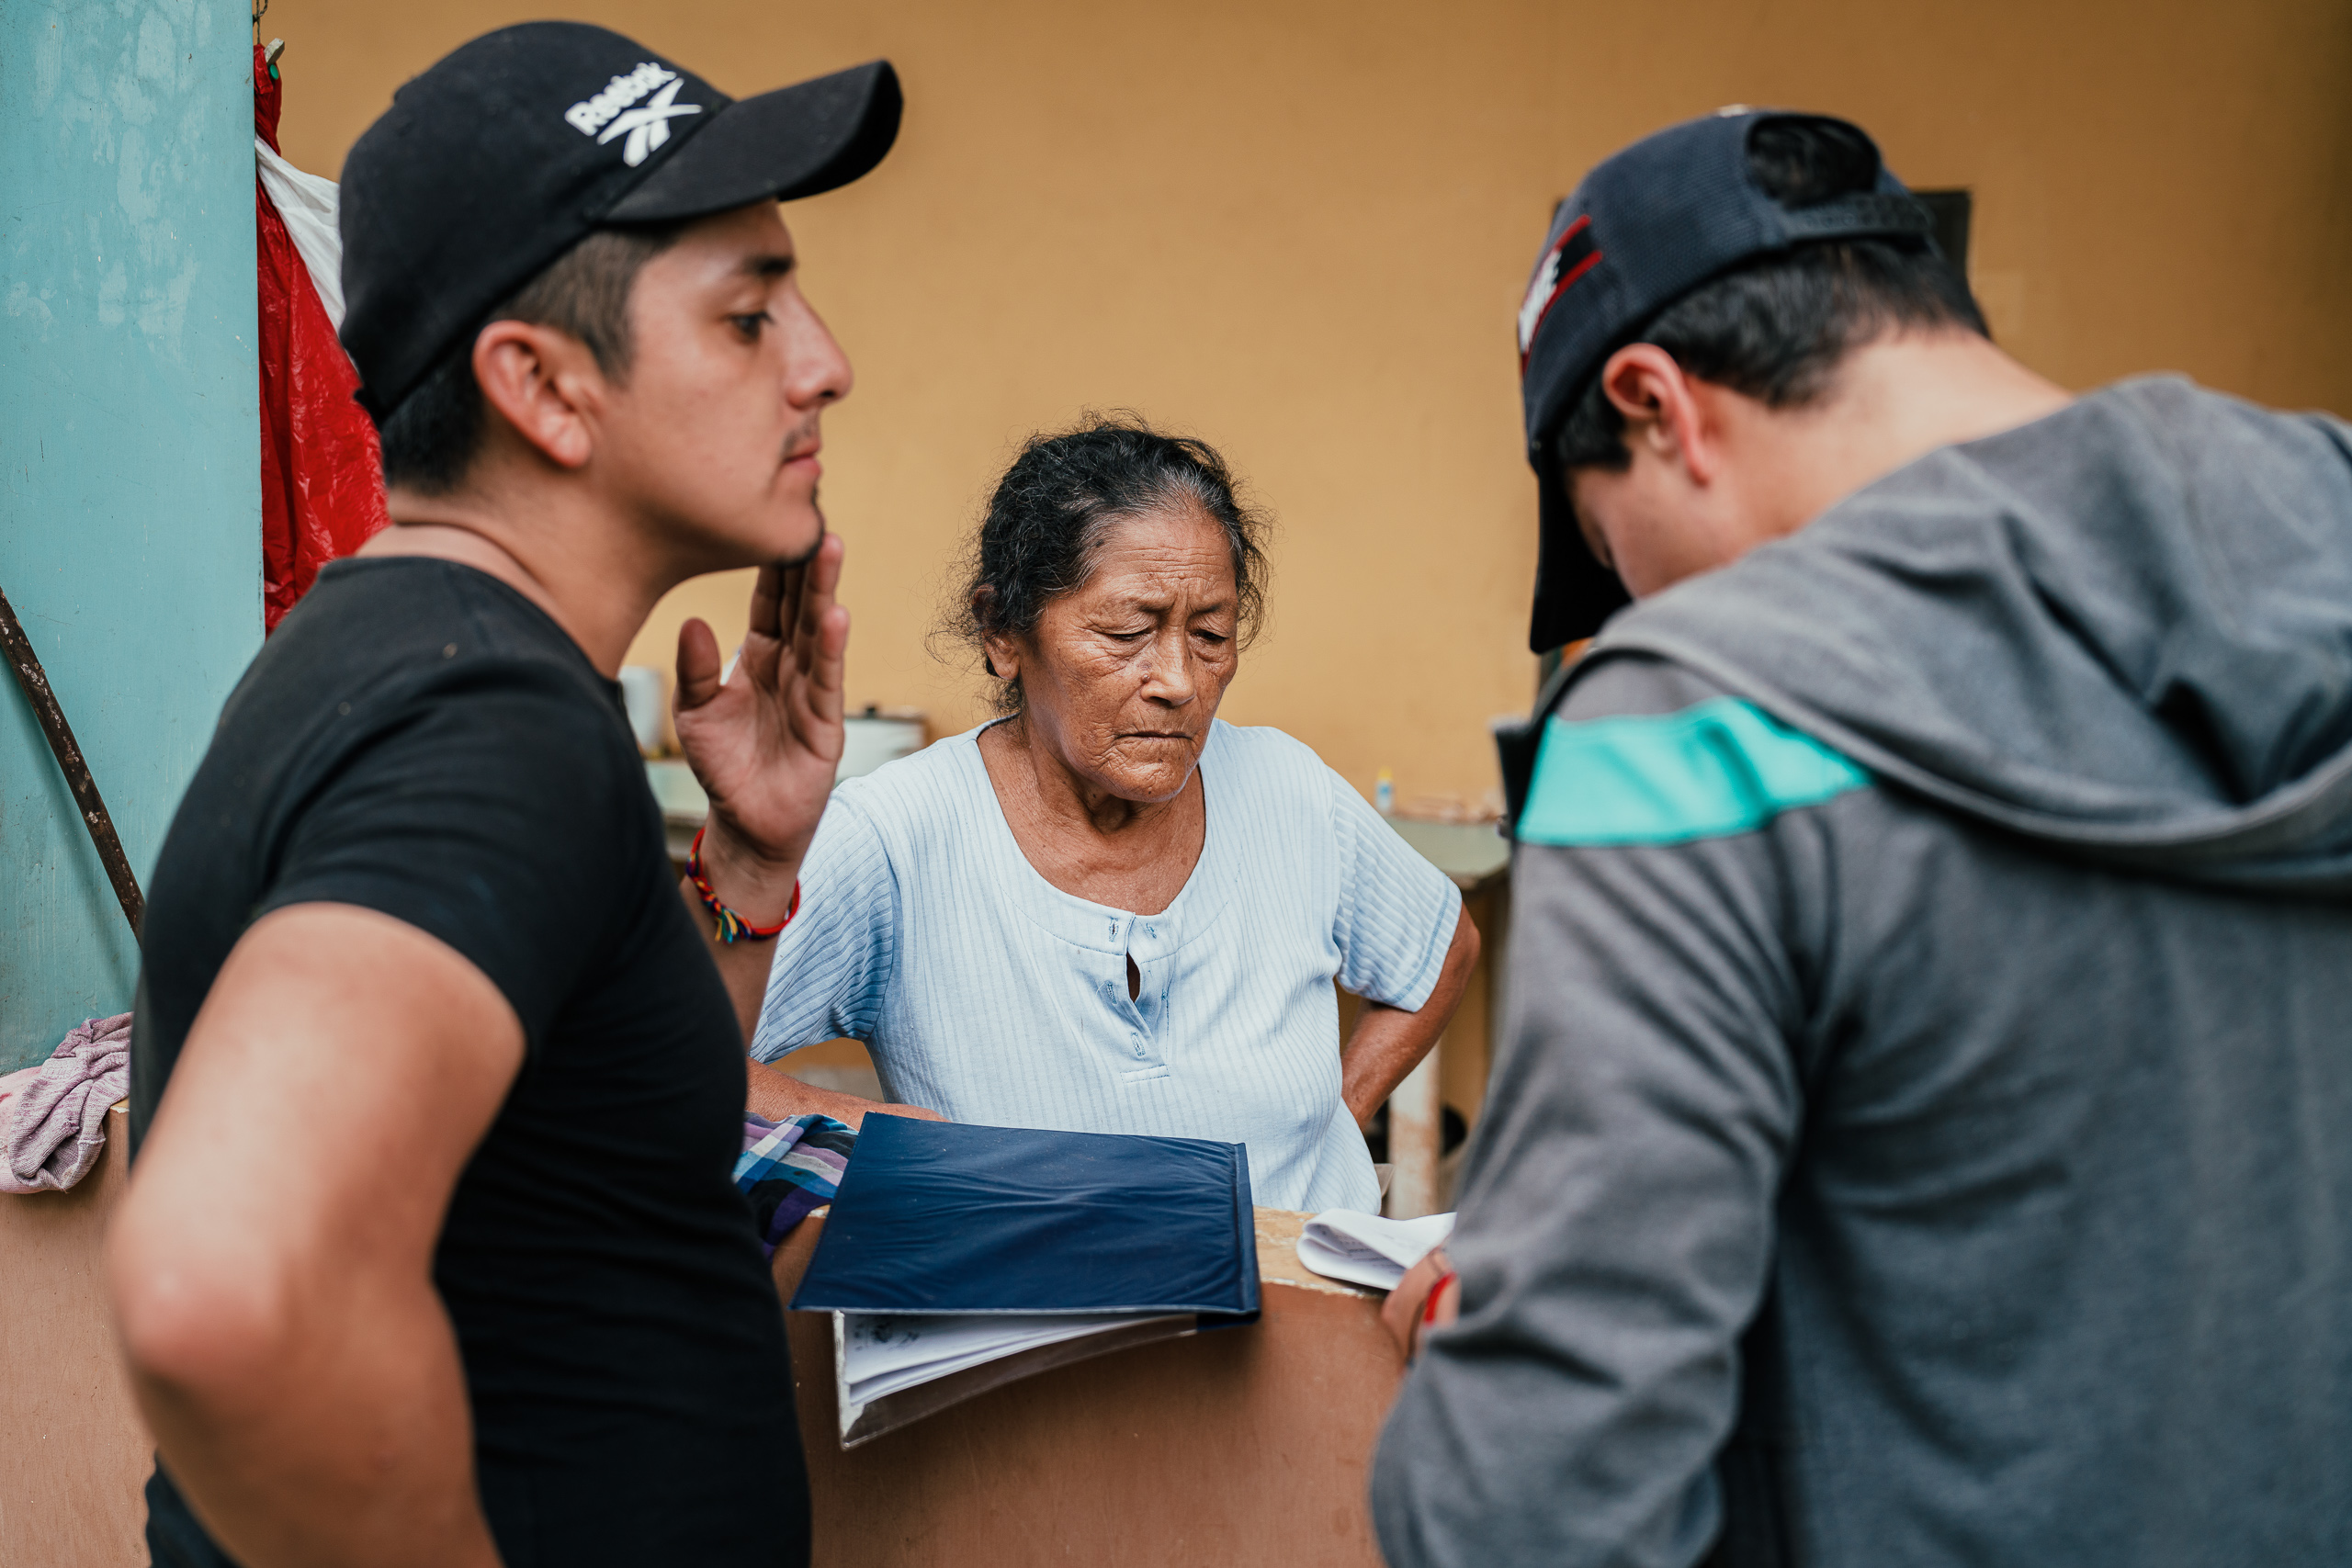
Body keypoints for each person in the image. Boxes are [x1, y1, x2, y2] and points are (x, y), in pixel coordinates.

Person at [1374, 110, 2352, 1566]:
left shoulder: (1680, 720)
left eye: (1610, 545)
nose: (1629, 606)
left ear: (1656, 405)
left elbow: (1535, 1502)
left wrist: (1503, 1324)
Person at [107, 24, 909, 1568]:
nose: (825, 361)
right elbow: (223, 1282)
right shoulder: (488, 722)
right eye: (749, 317)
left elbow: (564, 1162)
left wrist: (744, 867)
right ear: (541, 385)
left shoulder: (399, 655)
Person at [746, 419, 1480, 1213]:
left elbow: (1443, 947)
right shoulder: (898, 837)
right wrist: (879, 1135)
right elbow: (655, 1056)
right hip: (1035, 1323)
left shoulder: (1285, 788)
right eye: (1128, 631)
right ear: (1002, 631)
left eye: (1211, 634)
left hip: (1296, 1305)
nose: (1178, 680)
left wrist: (1333, 1123)